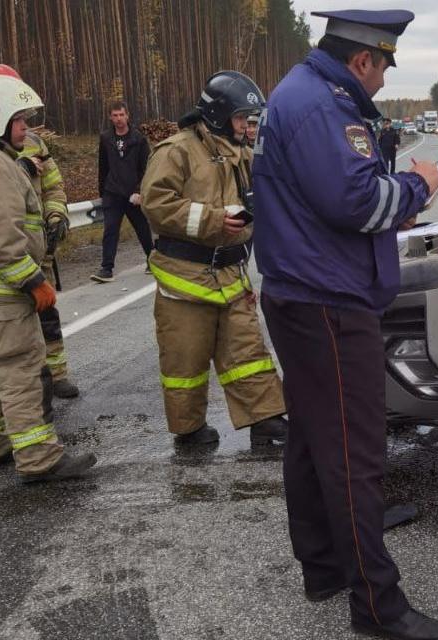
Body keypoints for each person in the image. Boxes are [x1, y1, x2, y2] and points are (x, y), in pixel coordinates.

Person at [253, 10, 438, 640]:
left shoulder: (305, 95)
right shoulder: (322, 106)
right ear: (364, 58)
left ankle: (324, 564)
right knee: (354, 455)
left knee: (315, 441)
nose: (384, 80)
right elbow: (360, 202)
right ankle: (377, 607)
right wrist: (419, 186)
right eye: (385, 66)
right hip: (327, 302)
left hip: (307, 293)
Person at [140, 71, 288, 448]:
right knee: (184, 361)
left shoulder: (242, 154)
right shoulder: (176, 151)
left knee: (248, 351)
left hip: (230, 275)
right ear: (219, 114)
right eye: (241, 118)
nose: (246, 126)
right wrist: (213, 219)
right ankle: (188, 430)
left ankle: (266, 418)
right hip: (184, 280)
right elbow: (157, 204)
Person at [0, 72, 96, 482]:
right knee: (19, 371)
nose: (26, 127)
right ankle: (39, 458)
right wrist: (32, 281)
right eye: (19, 119)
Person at [0, 64, 81, 399]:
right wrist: (17, 168)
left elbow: (53, 183)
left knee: (46, 314)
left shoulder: (34, 142)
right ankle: (25, 384)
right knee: (8, 329)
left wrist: (57, 215)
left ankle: (56, 373)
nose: (21, 122)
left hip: (38, 250)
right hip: (2, 256)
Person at [91, 101, 154, 283]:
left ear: (127, 116)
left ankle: (152, 259)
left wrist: (140, 191)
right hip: (113, 192)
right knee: (110, 230)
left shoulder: (139, 139)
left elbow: (146, 168)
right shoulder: (106, 138)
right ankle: (106, 268)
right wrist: (102, 191)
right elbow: (103, 166)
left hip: (133, 193)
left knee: (142, 228)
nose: (119, 119)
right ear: (110, 117)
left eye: (121, 115)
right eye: (115, 115)